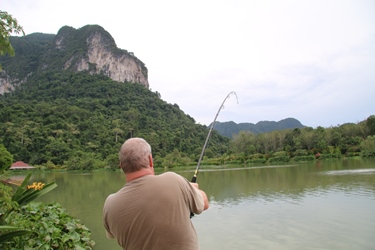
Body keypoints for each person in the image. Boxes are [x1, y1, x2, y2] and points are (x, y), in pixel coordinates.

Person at [103, 137, 209, 250]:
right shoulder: (174, 180)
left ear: (121, 165)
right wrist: (194, 189)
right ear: (150, 160)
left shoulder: (110, 204)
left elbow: (111, 235)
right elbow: (204, 204)